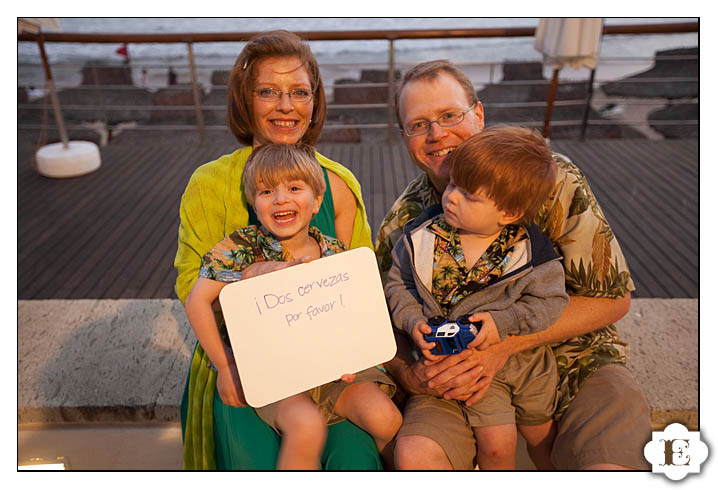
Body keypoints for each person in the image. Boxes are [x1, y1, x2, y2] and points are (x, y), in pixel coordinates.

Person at [375, 60, 652, 470]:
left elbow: (612, 300)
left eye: (450, 115)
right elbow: (380, 316)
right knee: (417, 456)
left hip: (575, 355)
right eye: (419, 124)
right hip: (456, 375)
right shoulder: (406, 221)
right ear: (404, 137)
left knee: (608, 467)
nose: (437, 134)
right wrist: (409, 375)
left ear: (479, 114)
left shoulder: (552, 180)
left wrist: (504, 344)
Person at [174, 30, 379, 470]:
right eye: (268, 91)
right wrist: (247, 280)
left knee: (358, 460)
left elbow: (363, 287)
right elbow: (191, 285)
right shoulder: (209, 185)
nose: (286, 106)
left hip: (329, 368)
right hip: (243, 368)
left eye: (299, 92)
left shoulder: (339, 184)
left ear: (315, 101)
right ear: (246, 101)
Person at [184, 144, 401, 469]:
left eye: (294, 188)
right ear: (255, 205)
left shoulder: (334, 252)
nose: (280, 199)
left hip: (333, 372)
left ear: (316, 201)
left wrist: (354, 354)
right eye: (267, 191)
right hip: (274, 375)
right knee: (306, 427)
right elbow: (197, 300)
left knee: (385, 417)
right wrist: (226, 366)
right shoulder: (241, 247)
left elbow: (354, 315)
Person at [385, 127, 568, 470]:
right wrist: (412, 321)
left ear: (509, 213)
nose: (451, 197)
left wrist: (505, 322)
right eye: (453, 185)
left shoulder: (530, 253)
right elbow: (397, 285)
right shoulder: (420, 238)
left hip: (527, 367)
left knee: (543, 433)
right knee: (499, 444)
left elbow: (551, 302)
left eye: (469, 196)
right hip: (468, 372)